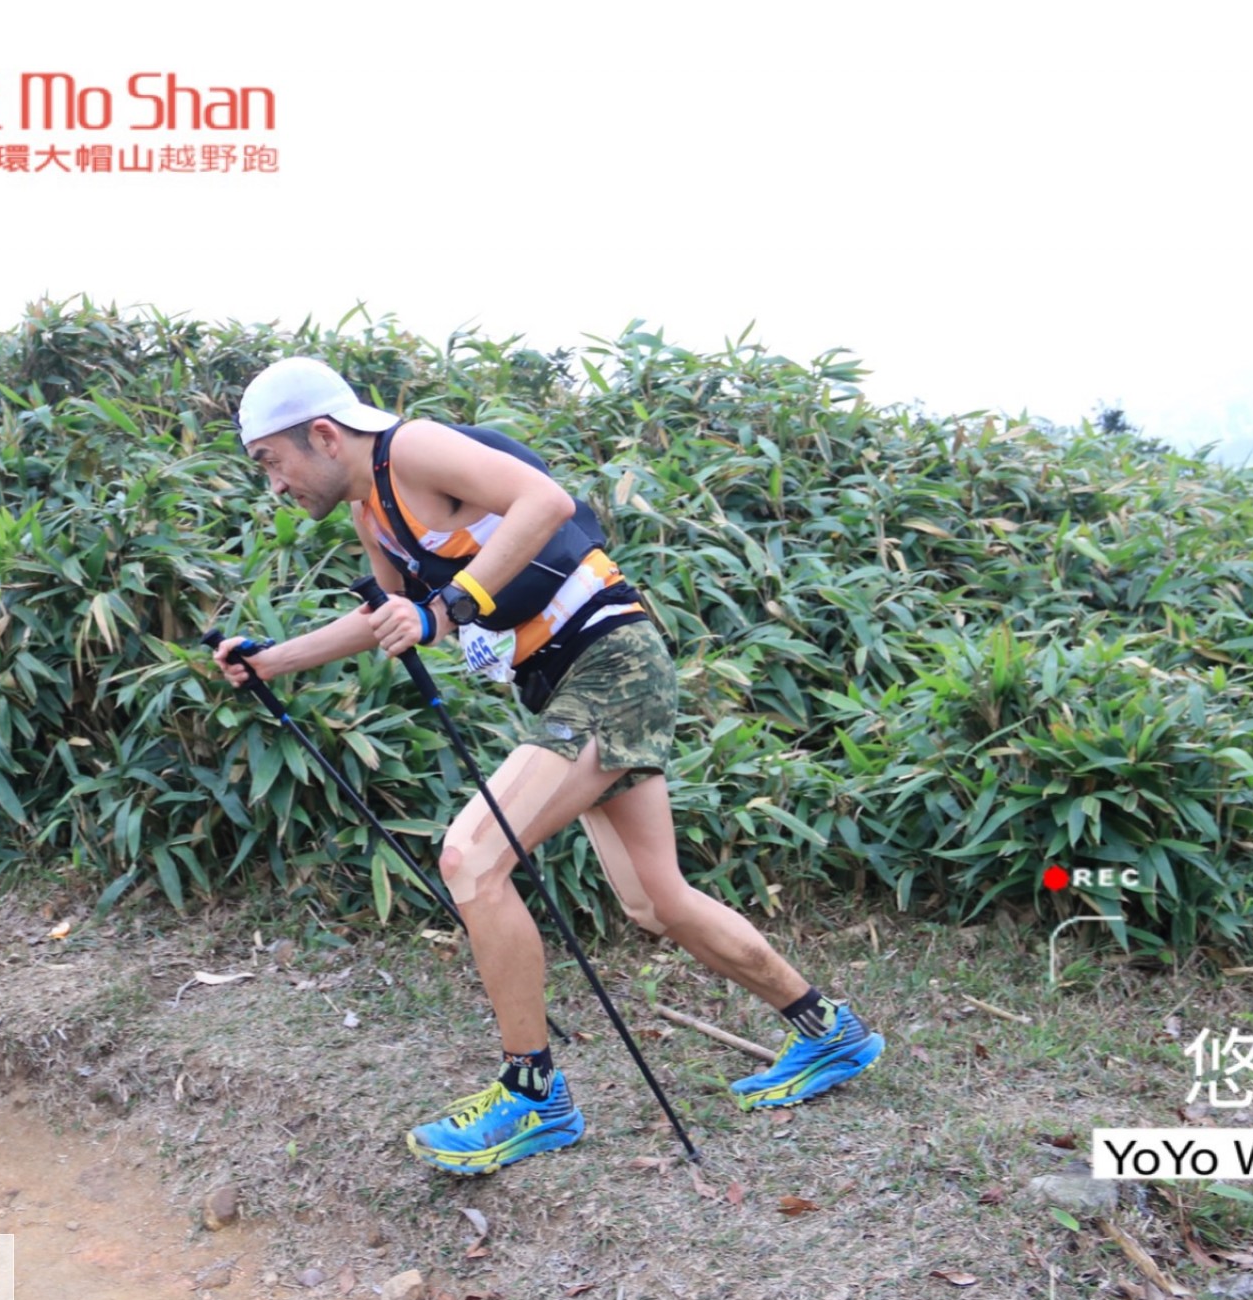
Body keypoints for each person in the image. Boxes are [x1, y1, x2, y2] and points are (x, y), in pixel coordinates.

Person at [213, 357, 884, 1175]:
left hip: (611, 663)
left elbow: (545, 501)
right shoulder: (371, 513)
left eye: (271, 461)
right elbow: (396, 617)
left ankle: (533, 1095)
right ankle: (829, 1032)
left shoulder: (411, 449)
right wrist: (273, 660)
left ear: (323, 434)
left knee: (471, 856)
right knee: (654, 900)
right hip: (567, 684)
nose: (274, 484)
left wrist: (451, 607)